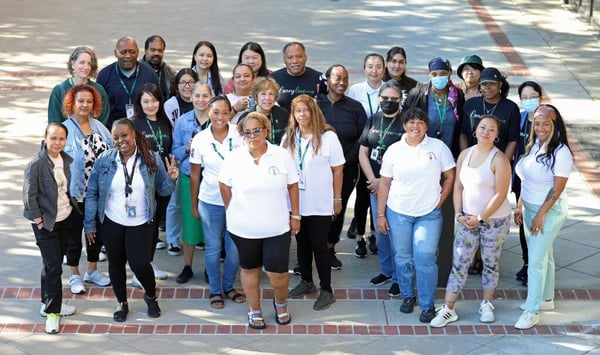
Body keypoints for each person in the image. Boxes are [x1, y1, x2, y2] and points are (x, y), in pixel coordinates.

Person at [84, 118, 178, 323]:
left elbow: (163, 190)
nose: (120, 141)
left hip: (141, 223)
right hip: (112, 222)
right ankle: (121, 303)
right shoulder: (105, 160)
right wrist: (89, 223)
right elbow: (92, 192)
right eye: (116, 137)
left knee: (140, 264)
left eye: (124, 135)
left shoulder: (151, 158)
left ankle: (150, 296)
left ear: (134, 134)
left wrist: (172, 178)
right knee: (116, 264)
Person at [218, 112, 300, 329]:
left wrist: (296, 215)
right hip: (244, 229)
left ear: (266, 130)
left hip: (277, 227)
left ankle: (280, 303)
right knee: (250, 270)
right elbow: (224, 185)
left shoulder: (281, 155)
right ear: (241, 135)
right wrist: (232, 208)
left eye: (257, 130)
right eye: (247, 132)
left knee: (278, 274)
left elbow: (292, 184)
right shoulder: (234, 158)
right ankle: (254, 309)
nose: (252, 135)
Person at [430, 115, 511, 327]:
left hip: (494, 220)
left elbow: (501, 194)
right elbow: (458, 186)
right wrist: (459, 214)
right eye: (482, 127)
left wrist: (481, 218)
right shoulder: (465, 154)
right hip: (466, 219)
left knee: (490, 263)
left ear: (497, 135)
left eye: (491, 129)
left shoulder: (499, 159)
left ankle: (487, 303)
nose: (486, 131)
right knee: (460, 262)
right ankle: (448, 308)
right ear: (475, 131)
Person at [376, 107, 455, 323]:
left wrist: (441, 199)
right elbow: (384, 183)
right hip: (398, 212)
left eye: (420, 122)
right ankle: (408, 295)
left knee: (425, 257)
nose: (415, 126)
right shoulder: (394, 150)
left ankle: (428, 305)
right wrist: (381, 214)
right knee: (402, 257)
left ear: (426, 126)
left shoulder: (438, 148)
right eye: (411, 122)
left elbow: (450, 175)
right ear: (404, 125)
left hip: (428, 213)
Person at [513, 105, 573, 329]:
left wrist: (540, 215)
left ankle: (531, 310)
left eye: (545, 124)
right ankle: (545, 299)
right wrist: (520, 206)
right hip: (529, 208)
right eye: (537, 124)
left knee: (535, 261)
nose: (540, 128)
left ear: (555, 124)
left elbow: (556, 190)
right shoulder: (534, 145)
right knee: (544, 254)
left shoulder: (561, 152)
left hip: (548, 211)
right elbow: (526, 180)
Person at [284, 94, 345, 310]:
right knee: (301, 243)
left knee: (319, 245)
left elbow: (338, 170)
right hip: (297, 203)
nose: (302, 114)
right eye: (297, 111)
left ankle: (326, 290)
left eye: (305, 109)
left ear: (314, 111)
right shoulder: (290, 137)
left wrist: (337, 199)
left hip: (320, 202)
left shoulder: (328, 137)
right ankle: (307, 282)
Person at [460, 67, 520, 275]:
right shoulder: (471, 104)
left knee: (492, 205)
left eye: (492, 84)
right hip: (473, 162)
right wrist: (466, 157)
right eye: (484, 84)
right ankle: (474, 255)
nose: (487, 88)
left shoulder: (510, 108)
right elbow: (463, 134)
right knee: (472, 205)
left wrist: (505, 161)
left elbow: (512, 140)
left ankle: (484, 258)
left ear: (500, 85)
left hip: (496, 166)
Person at [189, 95, 245, 309]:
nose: (220, 117)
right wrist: (194, 205)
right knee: (213, 248)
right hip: (210, 201)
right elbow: (195, 175)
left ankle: (229, 286)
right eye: (215, 112)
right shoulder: (200, 139)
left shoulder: (240, 135)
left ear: (230, 113)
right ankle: (215, 290)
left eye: (224, 112)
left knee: (234, 250)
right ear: (209, 113)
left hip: (237, 201)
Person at [23, 123, 79, 333]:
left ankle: (46, 303)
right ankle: (53, 314)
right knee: (54, 266)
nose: (57, 143)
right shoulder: (36, 163)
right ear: (45, 138)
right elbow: (29, 196)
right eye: (53, 138)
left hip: (64, 219)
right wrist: (38, 221)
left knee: (51, 263)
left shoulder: (64, 159)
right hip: (45, 224)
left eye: (61, 139)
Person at [62, 84, 113, 295]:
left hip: (98, 193)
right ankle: (74, 274)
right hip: (74, 195)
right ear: (72, 103)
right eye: (80, 101)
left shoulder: (100, 127)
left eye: (89, 101)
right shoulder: (64, 129)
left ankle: (92, 271)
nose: (85, 105)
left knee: (96, 235)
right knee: (74, 236)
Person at [317, 65, 367, 267]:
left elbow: (363, 138)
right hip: (317, 170)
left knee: (337, 208)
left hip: (346, 169)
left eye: (345, 79)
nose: (342, 83)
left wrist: (344, 161)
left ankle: (329, 248)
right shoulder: (315, 104)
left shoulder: (355, 107)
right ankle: (312, 251)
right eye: (337, 78)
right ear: (327, 79)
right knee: (315, 209)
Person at [358, 82, 405, 297]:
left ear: (400, 100)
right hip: (376, 187)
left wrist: (384, 183)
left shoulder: (405, 121)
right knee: (382, 232)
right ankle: (386, 271)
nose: (388, 102)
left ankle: (398, 277)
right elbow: (363, 152)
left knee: (397, 235)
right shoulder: (374, 119)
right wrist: (373, 180)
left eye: (393, 99)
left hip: (396, 188)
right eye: (384, 98)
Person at [171, 83, 212, 282]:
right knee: (189, 223)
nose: (201, 99)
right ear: (191, 97)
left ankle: (208, 267)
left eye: (205, 95)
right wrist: (187, 148)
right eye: (197, 95)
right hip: (189, 177)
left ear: (211, 97)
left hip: (211, 179)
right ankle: (187, 266)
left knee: (211, 225)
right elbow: (175, 153)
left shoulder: (218, 120)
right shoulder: (182, 121)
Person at [132, 83, 172, 284]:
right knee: (142, 225)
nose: (151, 105)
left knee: (154, 225)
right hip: (143, 183)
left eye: (154, 100)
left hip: (162, 182)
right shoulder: (134, 124)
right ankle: (138, 271)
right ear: (139, 103)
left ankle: (148, 263)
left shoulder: (165, 123)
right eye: (146, 101)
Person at [346, 53, 386, 255]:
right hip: (363, 147)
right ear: (364, 69)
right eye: (370, 66)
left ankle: (373, 234)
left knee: (378, 193)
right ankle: (360, 236)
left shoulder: (389, 89)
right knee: (362, 194)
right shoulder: (356, 90)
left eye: (378, 66)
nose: (374, 71)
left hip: (383, 150)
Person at [513, 81, 544, 286]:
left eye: (532, 96)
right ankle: (527, 263)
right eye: (524, 97)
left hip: (540, 182)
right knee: (523, 222)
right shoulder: (521, 117)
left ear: (540, 97)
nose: (528, 100)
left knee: (538, 224)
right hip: (521, 180)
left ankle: (537, 264)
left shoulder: (546, 121)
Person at [404, 57, 464, 155]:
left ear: (449, 73)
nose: (438, 77)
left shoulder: (457, 95)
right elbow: (406, 124)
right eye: (434, 74)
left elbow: (461, 126)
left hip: (449, 155)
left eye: (443, 74)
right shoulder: (416, 95)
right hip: (422, 154)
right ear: (429, 75)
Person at [96, 36, 159, 129]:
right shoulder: (104, 75)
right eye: (123, 52)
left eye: (132, 52)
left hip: (143, 129)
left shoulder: (150, 74)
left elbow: (158, 102)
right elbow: (98, 107)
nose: (128, 56)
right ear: (115, 53)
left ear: (137, 52)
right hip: (112, 130)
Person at [48, 46, 110, 125]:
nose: (86, 67)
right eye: (82, 62)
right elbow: (54, 122)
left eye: (89, 64)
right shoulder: (59, 90)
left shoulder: (99, 90)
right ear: (73, 63)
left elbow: (103, 120)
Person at [269, 42, 322, 111]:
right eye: (290, 57)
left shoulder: (318, 79)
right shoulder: (273, 79)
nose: (295, 61)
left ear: (305, 58)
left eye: (299, 56)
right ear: (284, 60)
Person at [239, 77, 289, 144]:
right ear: (256, 96)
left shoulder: (283, 114)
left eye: (271, 94)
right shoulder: (246, 117)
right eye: (263, 94)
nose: (267, 98)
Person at [142, 35, 175, 99]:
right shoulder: (136, 70)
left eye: (160, 50)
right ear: (146, 51)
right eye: (153, 50)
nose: (156, 53)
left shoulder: (170, 73)